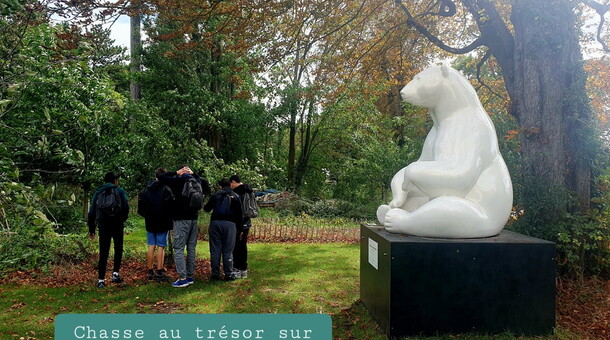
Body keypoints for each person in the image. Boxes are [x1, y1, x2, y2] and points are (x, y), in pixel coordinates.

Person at [157, 166, 209, 288]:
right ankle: (190, 276)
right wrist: (194, 173)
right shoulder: (196, 181)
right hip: (194, 218)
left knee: (179, 248)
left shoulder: (177, 181)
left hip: (181, 218)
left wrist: (176, 172)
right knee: (191, 248)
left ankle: (182, 278)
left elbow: (160, 177)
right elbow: (206, 185)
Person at [88, 171, 129, 288]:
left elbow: (91, 212)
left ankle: (101, 280)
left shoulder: (98, 191)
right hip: (117, 223)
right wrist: (122, 219)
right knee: (118, 248)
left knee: (104, 251)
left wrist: (92, 229)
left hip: (103, 224)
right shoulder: (120, 191)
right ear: (115, 180)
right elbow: (126, 207)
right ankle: (115, 274)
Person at [138, 168, 174, 281]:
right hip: (162, 221)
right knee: (161, 246)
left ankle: (150, 270)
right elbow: (170, 207)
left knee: (151, 245)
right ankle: (159, 270)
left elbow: (140, 208)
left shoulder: (146, 190)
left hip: (150, 221)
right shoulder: (166, 190)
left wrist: (147, 215)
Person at [204, 179, 242, 281]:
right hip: (230, 224)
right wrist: (240, 229)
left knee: (215, 249)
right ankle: (228, 273)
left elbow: (206, 208)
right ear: (230, 185)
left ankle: (215, 273)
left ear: (220, 186)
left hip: (216, 223)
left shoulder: (216, 195)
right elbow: (239, 214)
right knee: (228, 250)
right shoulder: (235, 196)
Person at [229, 175, 254, 279]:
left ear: (233, 182)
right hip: (247, 222)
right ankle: (244, 269)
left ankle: (237, 268)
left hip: (239, 223)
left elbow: (238, 210)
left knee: (237, 246)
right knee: (243, 246)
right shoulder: (249, 190)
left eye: (230, 184)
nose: (230, 186)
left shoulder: (238, 193)